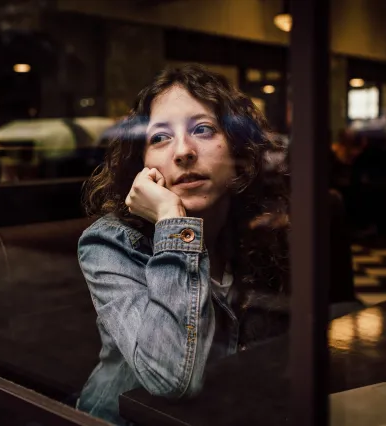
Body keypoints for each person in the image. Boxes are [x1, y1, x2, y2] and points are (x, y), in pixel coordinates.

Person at [77, 64, 290, 424]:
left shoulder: (255, 232)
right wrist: (173, 222)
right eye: (159, 137)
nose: (183, 152)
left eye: (203, 130)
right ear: (142, 166)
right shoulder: (108, 242)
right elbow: (171, 379)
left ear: (239, 158)